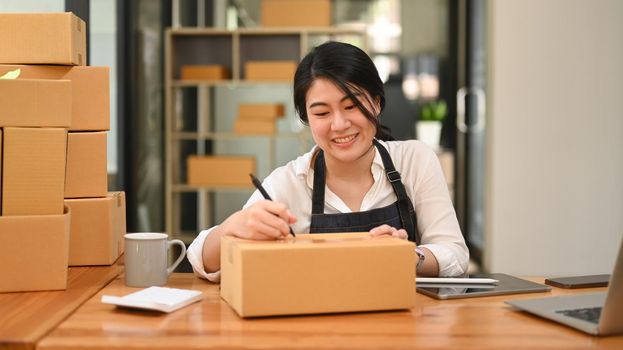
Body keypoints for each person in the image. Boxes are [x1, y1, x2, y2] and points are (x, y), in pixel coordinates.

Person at [187, 41, 469, 282]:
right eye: (321, 113)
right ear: (307, 119)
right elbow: (201, 260)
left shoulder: (415, 161)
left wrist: (411, 257)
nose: (339, 124)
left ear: (377, 102)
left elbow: (455, 254)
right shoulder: (287, 183)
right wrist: (233, 227)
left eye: (352, 106)